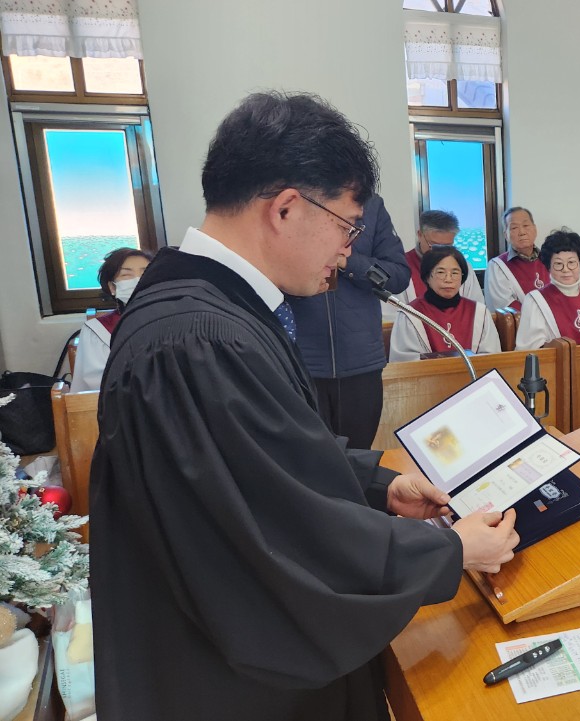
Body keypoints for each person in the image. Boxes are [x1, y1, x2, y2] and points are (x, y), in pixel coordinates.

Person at [89, 91, 519, 721]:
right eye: (348, 226)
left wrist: (380, 487)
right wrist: (450, 553)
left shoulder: (211, 309)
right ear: (286, 208)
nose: (348, 250)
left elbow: (269, 459)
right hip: (231, 686)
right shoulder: (195, 342)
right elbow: (279, 540)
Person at [288, 191, 409, 450]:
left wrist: (347, 262)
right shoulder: (289, 199)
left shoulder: (370, 204)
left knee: (358, 458)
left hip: (361, 363)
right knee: (305, 459)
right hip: (299, 365)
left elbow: (398, 276)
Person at [514, 228, 580, 349]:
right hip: (556, 361)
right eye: (558, 264)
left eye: (571, 262)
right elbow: (531, 350)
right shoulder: (536, 301)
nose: (565, 269)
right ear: (549, 266)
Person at [390, 245, 500, 361]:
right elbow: (404, 362)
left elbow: (492, 358)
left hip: (475, 373)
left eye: (455, 273)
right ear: (427, 276)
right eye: (441, 272)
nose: (448, 279)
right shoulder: (410, 315)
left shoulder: (479, 313)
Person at [69, 247, 152, 393]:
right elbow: (97, 385)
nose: (138, 281)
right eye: (126, 275)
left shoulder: (176, 322)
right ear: (112, 287)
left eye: (145, 273)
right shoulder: (98, 331)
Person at [401, 209, 483, 308]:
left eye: (447, 246)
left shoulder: (462, 267)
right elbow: (393, 314)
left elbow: (477, 308)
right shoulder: (401, 267)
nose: (440, 253)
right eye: (434, 245)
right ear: (420, 234)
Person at [484, 207, 547, 311]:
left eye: (526, 225)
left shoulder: (549, 259)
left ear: (535, 229)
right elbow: (506, 307)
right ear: (506, 235)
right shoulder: (497, 266)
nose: (522, 232)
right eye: (514, 228)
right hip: (524, 321)